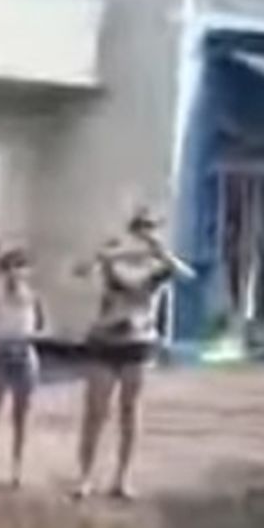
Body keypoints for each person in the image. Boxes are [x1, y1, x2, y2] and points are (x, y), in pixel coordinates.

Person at [73, 208, 194, 500]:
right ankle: (85, 476)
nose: (145, 234)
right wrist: (102, 253)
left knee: (130, 410)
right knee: (95, 411)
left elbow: (187, 275)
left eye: (150, 228)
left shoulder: (157, 265)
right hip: (105, 339)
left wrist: (160, 249)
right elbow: (80, 270)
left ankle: (122, 477)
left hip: (138, 342)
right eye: (141, 228)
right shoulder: (115, 258)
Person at [0, 249, 45, 489]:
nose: (16, 272)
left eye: (21, 266)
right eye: (11, 266)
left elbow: (41, 324)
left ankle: (17, 467)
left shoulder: (33, 295)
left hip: (23, 351)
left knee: (21, 415)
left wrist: (30, 336)